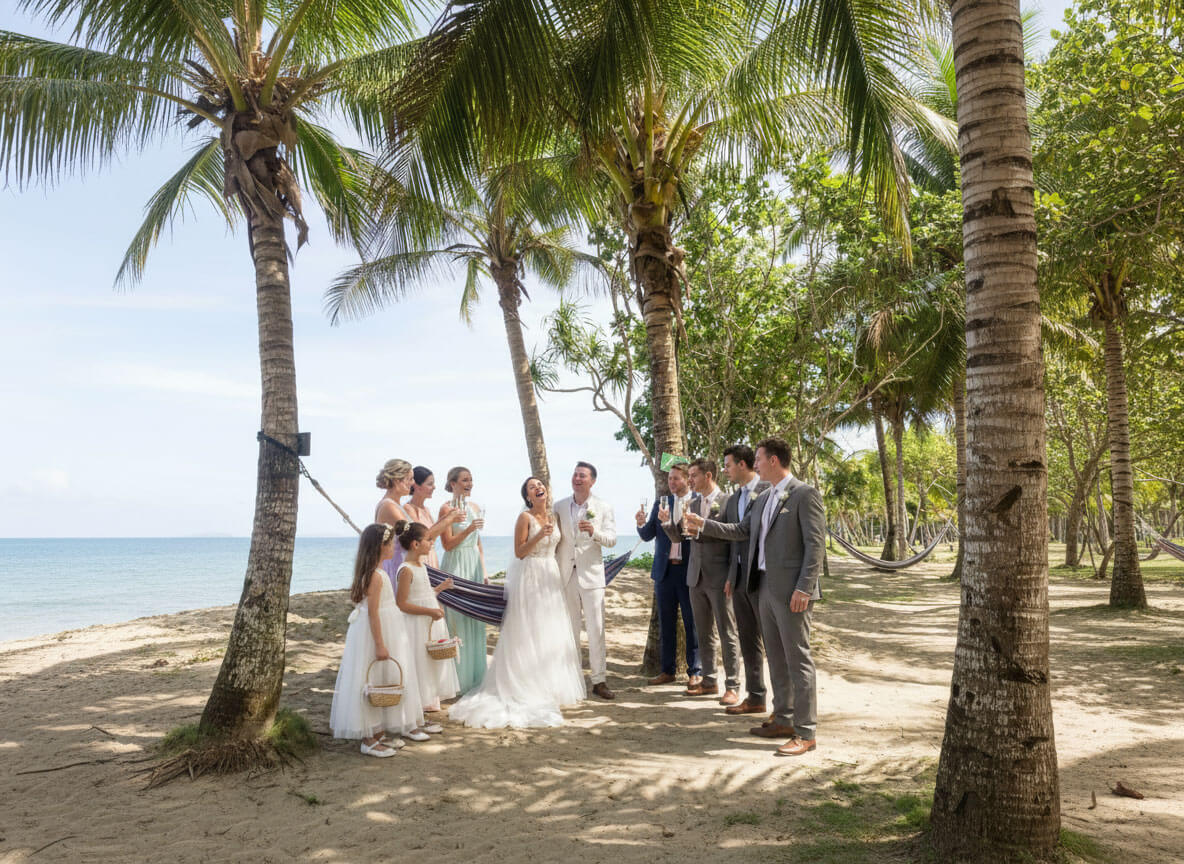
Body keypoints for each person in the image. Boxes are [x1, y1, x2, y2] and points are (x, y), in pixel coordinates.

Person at [684, 437, 825, 757]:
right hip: (761, 587)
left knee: (798, 659)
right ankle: (784, 719)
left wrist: (804, 587)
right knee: (775, 658)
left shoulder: (804, 494)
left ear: (773, 461)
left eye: (759, 459)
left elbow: (815, 546)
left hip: (793, 592)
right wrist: (703, 524)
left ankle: (806, 732)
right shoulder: (762, 498)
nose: (755, 464)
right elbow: (740, 531)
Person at [450, 477, 585, 728]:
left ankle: (550, 683)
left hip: (550, 575)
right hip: (531, 574)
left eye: (539, 484)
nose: (537, 488)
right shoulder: (525, 518)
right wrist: (538, 537)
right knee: (529, 628)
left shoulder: (555, 517)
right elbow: (520, 552)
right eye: (532, 487)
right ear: (528, 497)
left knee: (550, 627)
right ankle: (524, 682)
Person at [330, 522, 425, 757]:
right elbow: (373, 613)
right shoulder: (375, 576)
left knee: (383, 678)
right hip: (375, 633)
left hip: (387, 628)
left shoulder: (379, 572)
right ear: (379, 547)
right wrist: (380, 644)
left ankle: (378, 731)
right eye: (390, 543)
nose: (394, 547)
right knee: (369, 679)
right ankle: (368, 738)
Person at [677, 458, 741, 702]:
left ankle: (733, 686)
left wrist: (732, 576)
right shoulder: (690, 503)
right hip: (695, 576)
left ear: (709, 475)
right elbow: (681, 536)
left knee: (727, 632)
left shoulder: (728, 501)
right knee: (703, 632)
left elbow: (735, 538)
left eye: (693, 475)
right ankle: (709, 680)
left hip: (720, 576)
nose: (689, 480)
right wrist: (666, 522)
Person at [553, 461, 617, 700]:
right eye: (575, 474)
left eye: (582, 475)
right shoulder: (558, 506)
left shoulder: (603, 507)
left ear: (592, 481)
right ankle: (574, 679)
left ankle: (599, 680)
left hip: (592, 576)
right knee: (570, 629)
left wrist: (594, 532)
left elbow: (612, 540)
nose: (577, 479)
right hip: (565, 575)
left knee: (596, 629)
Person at [635, 462, 700, 688]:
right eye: (670, 478)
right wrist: (641, 524)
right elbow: (647, 535)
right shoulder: (662, 502)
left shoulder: (696, 502)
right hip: (664, 571)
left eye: (676, 478)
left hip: (689, 570)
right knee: (666, 623)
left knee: (692, 623)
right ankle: (667, 671)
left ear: (687, 480)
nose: (671, 483)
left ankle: (695, 671)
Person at [394, 521, 459, 734]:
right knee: (417, 667)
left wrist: (440, 588)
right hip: (416, 625)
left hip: (428, 624)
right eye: (428, 540)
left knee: (427, 669)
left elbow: (422, 593)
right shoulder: (405, 570)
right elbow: (402, 603)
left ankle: (420, 716)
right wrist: (430, 612)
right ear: (415, 544)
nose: (431, 543)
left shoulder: (421, 566)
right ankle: (412, 719)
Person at [720, 444, 770, 716]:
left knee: (771, 643)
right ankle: (756, 696)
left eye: (728, 464)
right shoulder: (733, 498)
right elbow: (733, 544)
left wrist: (703, 525)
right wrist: (730, 576)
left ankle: (783, 706)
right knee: (747, 639)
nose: (725, 470)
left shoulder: (767, 491)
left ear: (742, 464)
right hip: (739, 578)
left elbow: (742, 531)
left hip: (761, 577)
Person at [438, 466, 489, 694]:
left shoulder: (476, 507)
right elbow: (447, 544)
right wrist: (468, 528)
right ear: (452, 483)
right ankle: (457, 681)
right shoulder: (446, 509)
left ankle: (477, 678)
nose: (469, 484)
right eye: (465, 480)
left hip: (474, 565)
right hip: (456, 564)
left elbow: (478, 543)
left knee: (475, 620)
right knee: (457, 619)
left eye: (471, 480)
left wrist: (484, 572)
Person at [374, 459, 459, 588]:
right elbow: (418, 538)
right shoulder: (389, 507)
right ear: (398, 481)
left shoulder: (395, 505)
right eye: (410, 479)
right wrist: (449, 519)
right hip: (395, 567)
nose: (413, 483)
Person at [402, 466, 442, 567]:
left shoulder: (426, 510)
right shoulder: (408, 509)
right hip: (421, 559)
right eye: (430, 484)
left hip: (431, 556)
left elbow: (433, 537)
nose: (434, 487)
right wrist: (449, 519)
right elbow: (423, 536)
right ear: (416, 486)